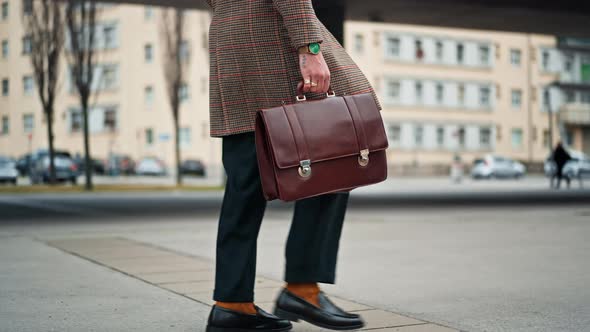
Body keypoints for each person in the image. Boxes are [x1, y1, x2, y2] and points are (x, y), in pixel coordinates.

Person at [203, 0, 381, 331]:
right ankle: (302, 288)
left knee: (246, 181)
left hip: (232, 42)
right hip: (273, 38)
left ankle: (232, 304)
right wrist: (309, 46)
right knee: (334, 159)